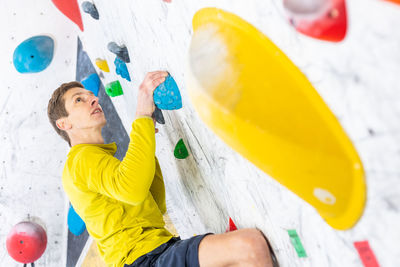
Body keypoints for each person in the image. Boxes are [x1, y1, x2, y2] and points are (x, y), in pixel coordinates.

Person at [47, 71, 278, 267]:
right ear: (64, 124)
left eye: (90, 95)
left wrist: (147, 142)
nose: (94, 99)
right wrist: (142, 115)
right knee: (248, 246)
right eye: (79, 100)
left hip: (155, 251)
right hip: (142, 259)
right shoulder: (80, 159)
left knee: (243, 252)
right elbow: (133, 190)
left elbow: (155, 205)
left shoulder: (98, 161)